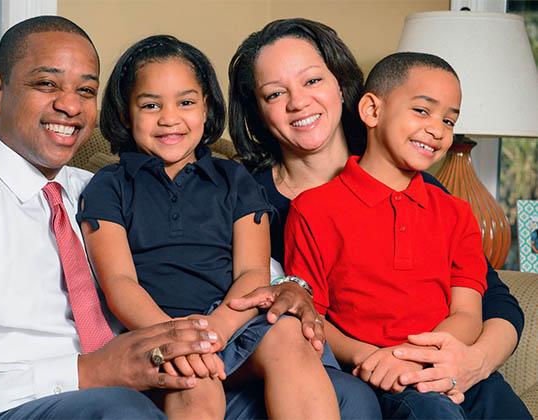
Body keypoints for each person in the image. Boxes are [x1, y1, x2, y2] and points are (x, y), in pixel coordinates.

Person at [0, 16, 325, 420]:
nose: (69, 104)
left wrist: (291, 289)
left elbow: (233, 263)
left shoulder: (91, 187)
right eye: (47, 84)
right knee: (122, 411)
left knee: (343, 396)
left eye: (85, 90)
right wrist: (89, 371)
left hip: (158, 368)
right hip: (30, 400)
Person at [228, 17, 529, 419]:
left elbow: (489, 300)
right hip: (357, 378)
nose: (298, 101)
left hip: (444, 368)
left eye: (313, 81)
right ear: (257, 111)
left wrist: (468, 362)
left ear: (342, 85)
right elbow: (299, 316)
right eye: (275, 93)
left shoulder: (438, 200)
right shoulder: (246, 202)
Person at [79, 34, 339, 419]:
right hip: (157, 330)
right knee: (194, 383)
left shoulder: (234, 179)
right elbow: (120, 284)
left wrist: (217, 328)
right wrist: (180, 340)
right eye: (151, 105)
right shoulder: (109, 185)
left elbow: (253, 271)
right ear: (124, 114)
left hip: (231, 321)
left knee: (289, 335)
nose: (170, 118)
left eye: (185, 102)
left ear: (206, 108)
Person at [284, 51, 490, 418]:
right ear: (372, 111)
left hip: (446, 365)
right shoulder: (313, 210)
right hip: (375, 377)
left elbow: (467, 314)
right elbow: (309, 318)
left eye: (449, 119)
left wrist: (416, 359)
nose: (438, 129)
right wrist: (380, 359)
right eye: (423, 111)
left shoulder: (456, 213)